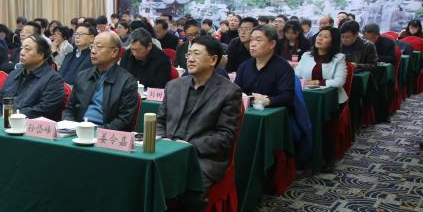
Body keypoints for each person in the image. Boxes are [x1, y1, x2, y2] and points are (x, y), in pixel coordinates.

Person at [158, 35, 242, 190]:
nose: (190, 59)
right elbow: (160, 121)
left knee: (176, 187)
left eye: (196, 54)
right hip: (167, 151)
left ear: (213, 60)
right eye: (189, 54)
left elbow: (225, 137)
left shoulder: (229, 92)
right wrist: (163, 142)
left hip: (201, 158)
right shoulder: (173, 86)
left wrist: (190, 146)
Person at [294, 26, 348, 170]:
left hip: (331, 101)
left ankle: (328, 158)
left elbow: (339, 81)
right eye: (319, 35)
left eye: (325, 36)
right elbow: (297, 74)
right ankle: (304, 157)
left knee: (325, 127)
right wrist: (305, 82)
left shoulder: (339, 58)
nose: (320, 38)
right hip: (306, 97)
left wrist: (315, 82)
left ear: (333, 41)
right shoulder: (306, 55)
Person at [63, 31, 138, 130]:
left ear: (114, 52)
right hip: (78, 130)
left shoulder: (127, 82)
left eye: (99, 47)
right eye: (92, 46)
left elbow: (123, 119)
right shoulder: (82, 76)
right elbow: (69, 109)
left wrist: (98, 132)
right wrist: (71, 126)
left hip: (105, 133)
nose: (93, 51)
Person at [0, 35, 65, 120]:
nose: (21, 53)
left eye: (27, 49)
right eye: (21, 48)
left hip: (27, 125)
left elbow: (42, 110)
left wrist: (11, 117)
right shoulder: (13, 74)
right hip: (3, 122)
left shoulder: (53, 80)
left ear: (41, 55)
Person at [234, 24, 295, 109]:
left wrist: (268, 101)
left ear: (272, 44)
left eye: (258, 40)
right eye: (251, 40)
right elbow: (235, 91)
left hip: (272, 113)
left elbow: (287, 97)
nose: (252, 44)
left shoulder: (284, 67)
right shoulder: (244, 66)